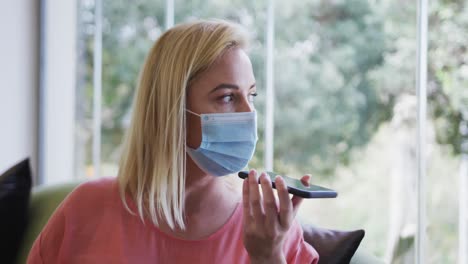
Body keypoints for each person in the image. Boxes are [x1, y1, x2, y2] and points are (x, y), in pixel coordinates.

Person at [27, 19, 319, 264]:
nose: (249, 113)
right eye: (228, 97)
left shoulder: (270, 229)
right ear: (172, 109)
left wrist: (268, 258)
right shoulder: (85, 210)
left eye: (251, 95)